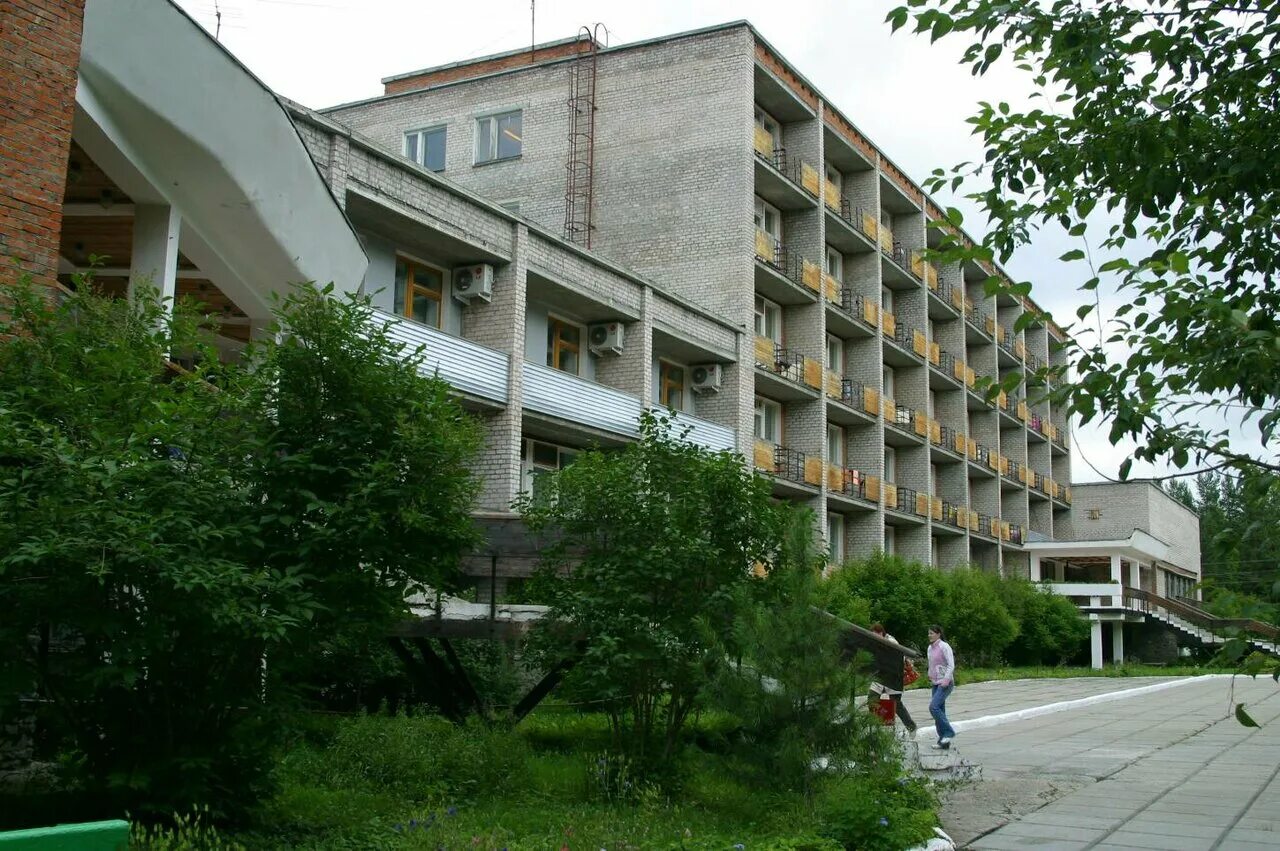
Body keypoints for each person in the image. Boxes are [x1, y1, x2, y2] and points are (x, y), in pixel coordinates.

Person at [869, 623, 917, 736]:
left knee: (896, 704)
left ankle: (911, 726)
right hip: (880, 676)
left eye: (875, 635)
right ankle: (879, 722)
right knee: (872, 699)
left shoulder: (891, 642)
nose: (874, 637)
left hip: (893, 676)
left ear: (881, 632)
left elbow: (897, 659)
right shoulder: (875, 642)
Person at [927, 624, 956, 750]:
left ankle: (949, 732)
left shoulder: (944, 646)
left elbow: (951, 664)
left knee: (933, 708)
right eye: (928, 633)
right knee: (940, 711)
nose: (929, 635)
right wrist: (930, 675)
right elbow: (931, 664)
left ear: (938, 634)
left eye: (932, 633)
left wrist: (946, 679)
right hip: (935, 682)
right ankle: (943, 742)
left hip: (945, 683)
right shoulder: (930, 648)